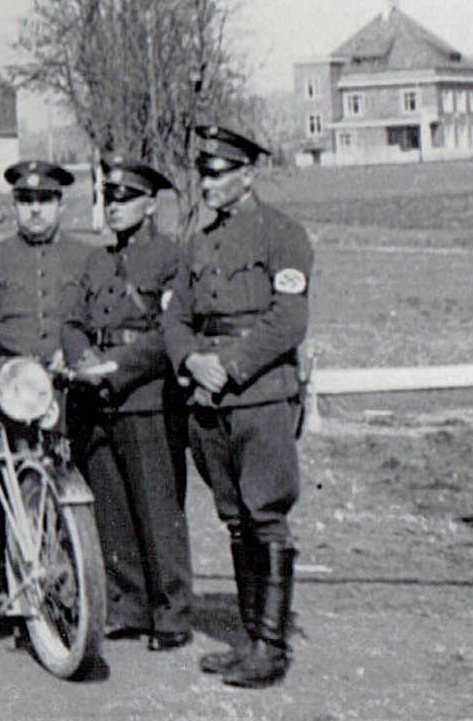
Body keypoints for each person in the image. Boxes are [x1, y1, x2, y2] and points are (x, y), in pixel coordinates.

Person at [163, 124, 312, 688]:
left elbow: (289, 319)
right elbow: (176, 316)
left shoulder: (282, 234)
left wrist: (230, 364)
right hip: (209, 396)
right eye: (203, 172)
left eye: (218, 172)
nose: (206, 183)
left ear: (248, 174)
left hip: (261, 394)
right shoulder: (198, 242)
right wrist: (191, 360)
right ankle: (249, 637)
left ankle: (271, 647)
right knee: (234, 519)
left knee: (265, 513)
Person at [60, 156, 193, 652]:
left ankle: (172, 614)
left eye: (125, 199)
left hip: (145, 397)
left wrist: (115, 368)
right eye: (108, 199)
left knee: (157, 509)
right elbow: (71, 321)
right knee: (111, 507)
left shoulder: (170, 258)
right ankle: (128, 606)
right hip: (94, 398)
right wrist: (83, 358)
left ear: (150, 204)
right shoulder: (94, 261)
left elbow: (171, 333)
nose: (114, 208)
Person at [0, 160, 94, 365]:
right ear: (14, 206)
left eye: (44, 200)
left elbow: (103, 326)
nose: (35, 209)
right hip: (11, 380)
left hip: (72, 378)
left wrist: (76, 354)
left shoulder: (89, 257)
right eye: (25, 201)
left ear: (61, 205)